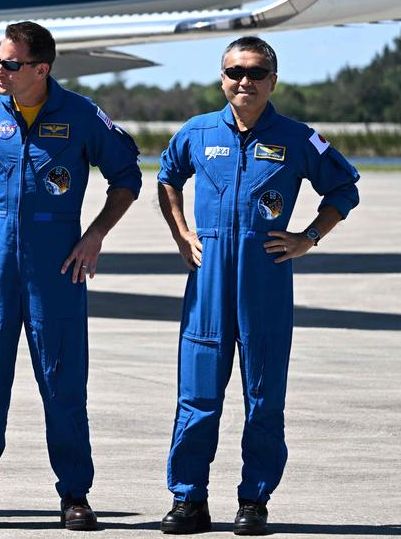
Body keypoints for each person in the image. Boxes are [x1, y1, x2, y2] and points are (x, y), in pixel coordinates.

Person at [0, 21, 142, 531]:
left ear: (41, 69)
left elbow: (127, 176)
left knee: (64, 384)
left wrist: (95, 235)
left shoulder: (82, 115)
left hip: (56, 267)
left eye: (10, 63)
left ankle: (75, 496)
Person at [156, 36, 360, 536]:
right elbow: (167, 177)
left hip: (265, 279)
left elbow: (344, 187)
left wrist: (308, 237)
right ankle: (189, 500)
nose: (243, 82)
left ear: (272, 80)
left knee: (264, 397)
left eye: (254, 73)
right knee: (197, 395)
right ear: (222, 77)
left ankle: (254, 500)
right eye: (233, 72)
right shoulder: (197, 132)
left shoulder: (298, 137)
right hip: (208, 283)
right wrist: (182, 234)